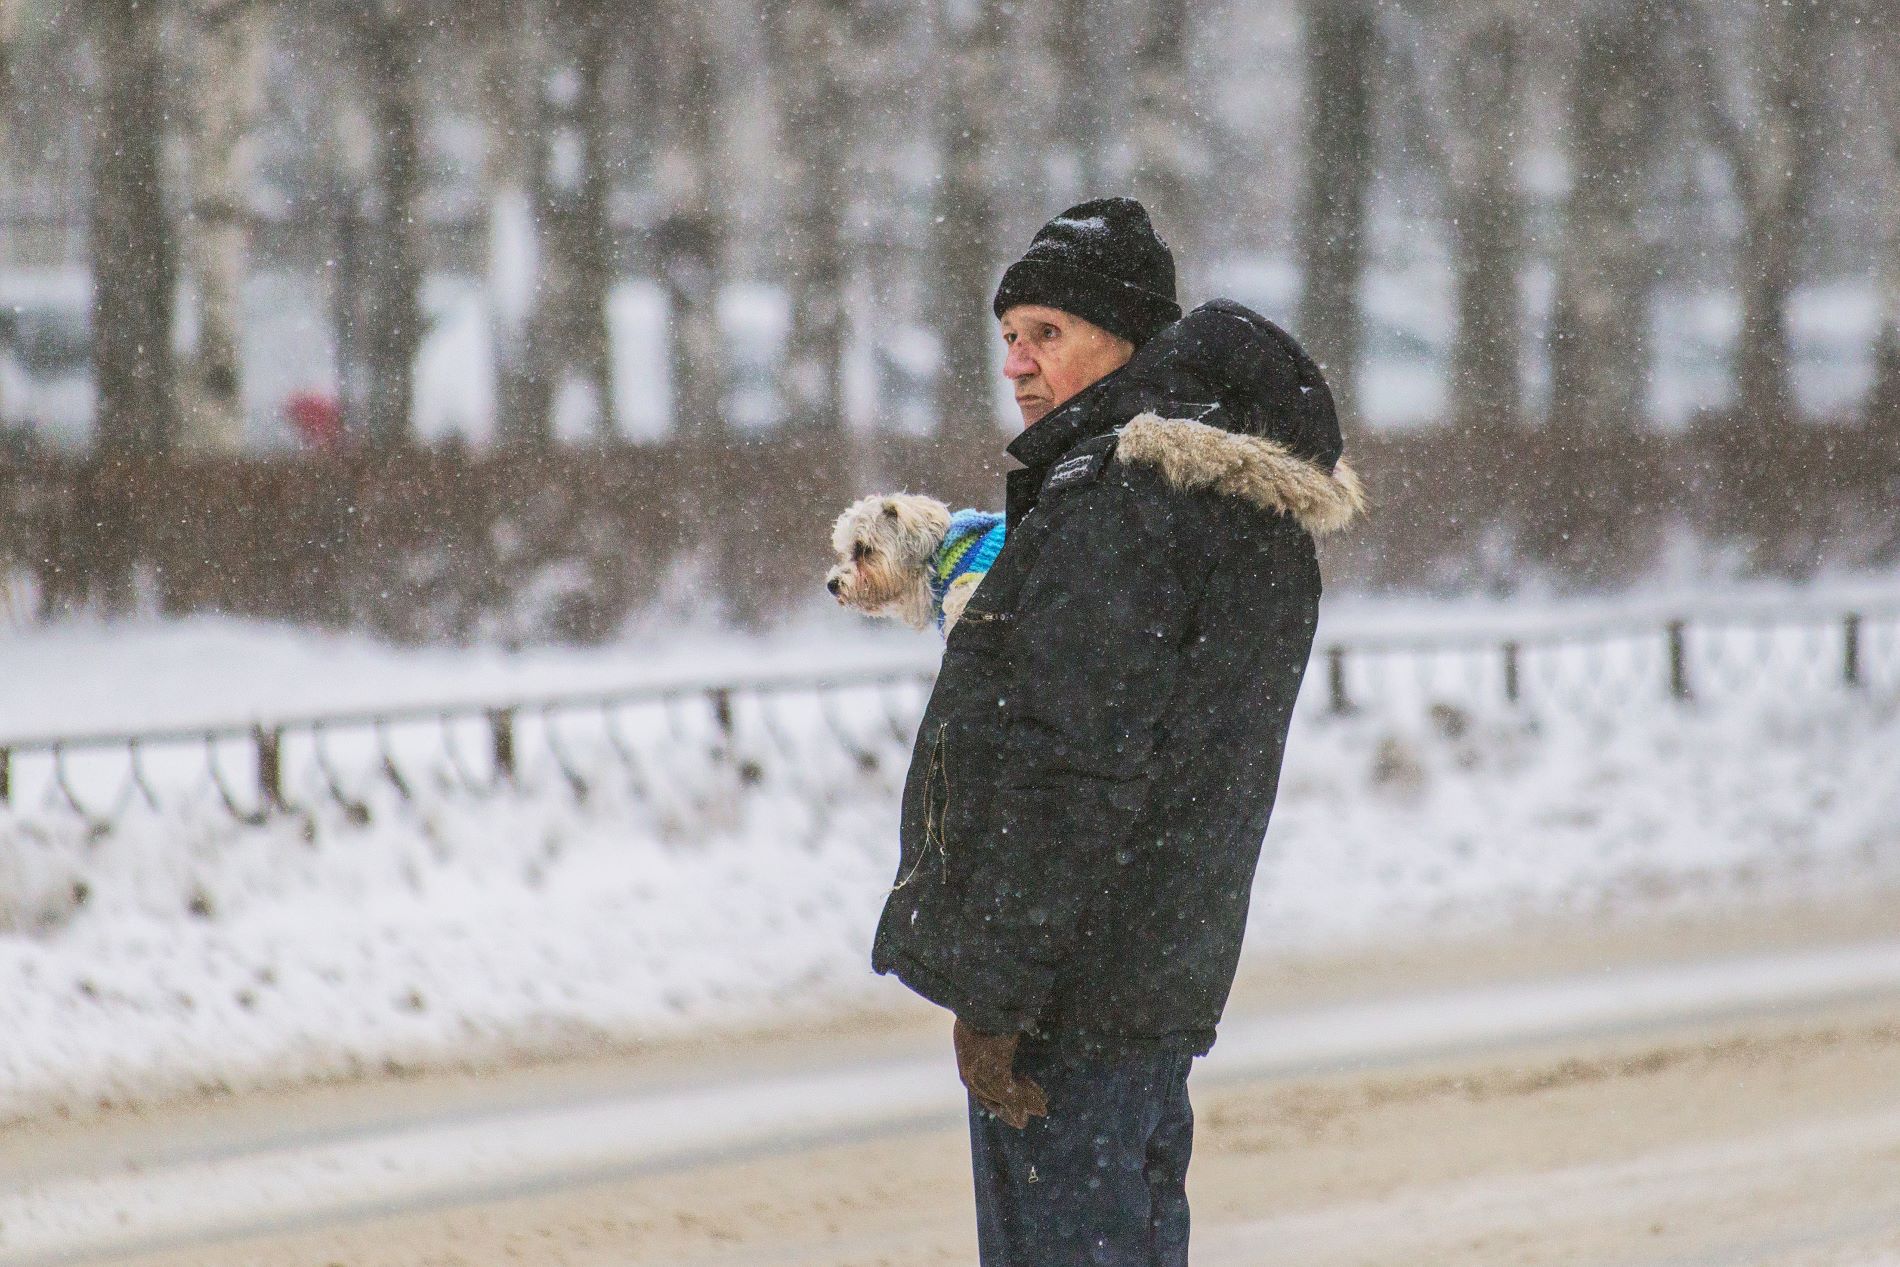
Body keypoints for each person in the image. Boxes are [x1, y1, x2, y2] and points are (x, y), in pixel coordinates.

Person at [871, 196, 1363, 1265]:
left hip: (1072, 998)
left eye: (1048, 333)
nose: (1017, 362)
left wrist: (996, 998)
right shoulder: (1207, 498)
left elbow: (1068, 765)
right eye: (1008, 336)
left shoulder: (1124, 505)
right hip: (1140, 971)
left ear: (1130, 343)